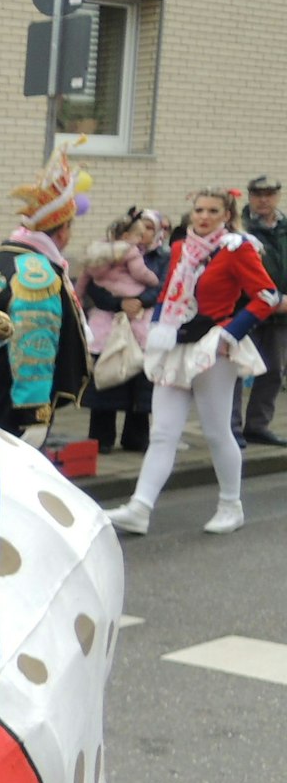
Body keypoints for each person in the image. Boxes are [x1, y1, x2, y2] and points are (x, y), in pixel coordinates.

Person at [107, 188, 280, 535]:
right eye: (199, 210)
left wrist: (231, 333)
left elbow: (267, 296)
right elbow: (168, 291)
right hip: (176, 344)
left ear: (226, 215)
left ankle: (231, 505)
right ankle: (140, 507)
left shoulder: (237, 248)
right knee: (162, 433)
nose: (203, 216)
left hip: (213, 346)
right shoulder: (180, 248)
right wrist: (159, 327)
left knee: (217, 432)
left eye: (213, 211)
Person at [0, 143, 92, 436]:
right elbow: (34, 351)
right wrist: (33, 416)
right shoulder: (38, 275)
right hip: (12, 410)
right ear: (63, 230)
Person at [76, 210, 161, 452]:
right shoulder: (115, 253)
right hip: (110, 323)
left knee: (140, 384)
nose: (144, 235)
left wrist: (140, 302)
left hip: (140, 324)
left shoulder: (160, 257)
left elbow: (162, 286)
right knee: (107, 378)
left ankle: (136, 438)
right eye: (141, 229)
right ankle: (101, 438)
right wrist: (120, 303)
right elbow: (93, 288)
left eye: (150, 229)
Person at [232, 174, 287, 445]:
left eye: (269, 194)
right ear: (250, 197)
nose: (263, 200)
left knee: (273, 371)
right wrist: (269, 300)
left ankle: (257, 426)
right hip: (246, 310)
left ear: (278, 196)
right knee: (236, 371)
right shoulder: (239, 229)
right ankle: (231, 429)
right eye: (257, 195)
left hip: (281, 313)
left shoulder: (284, 228)